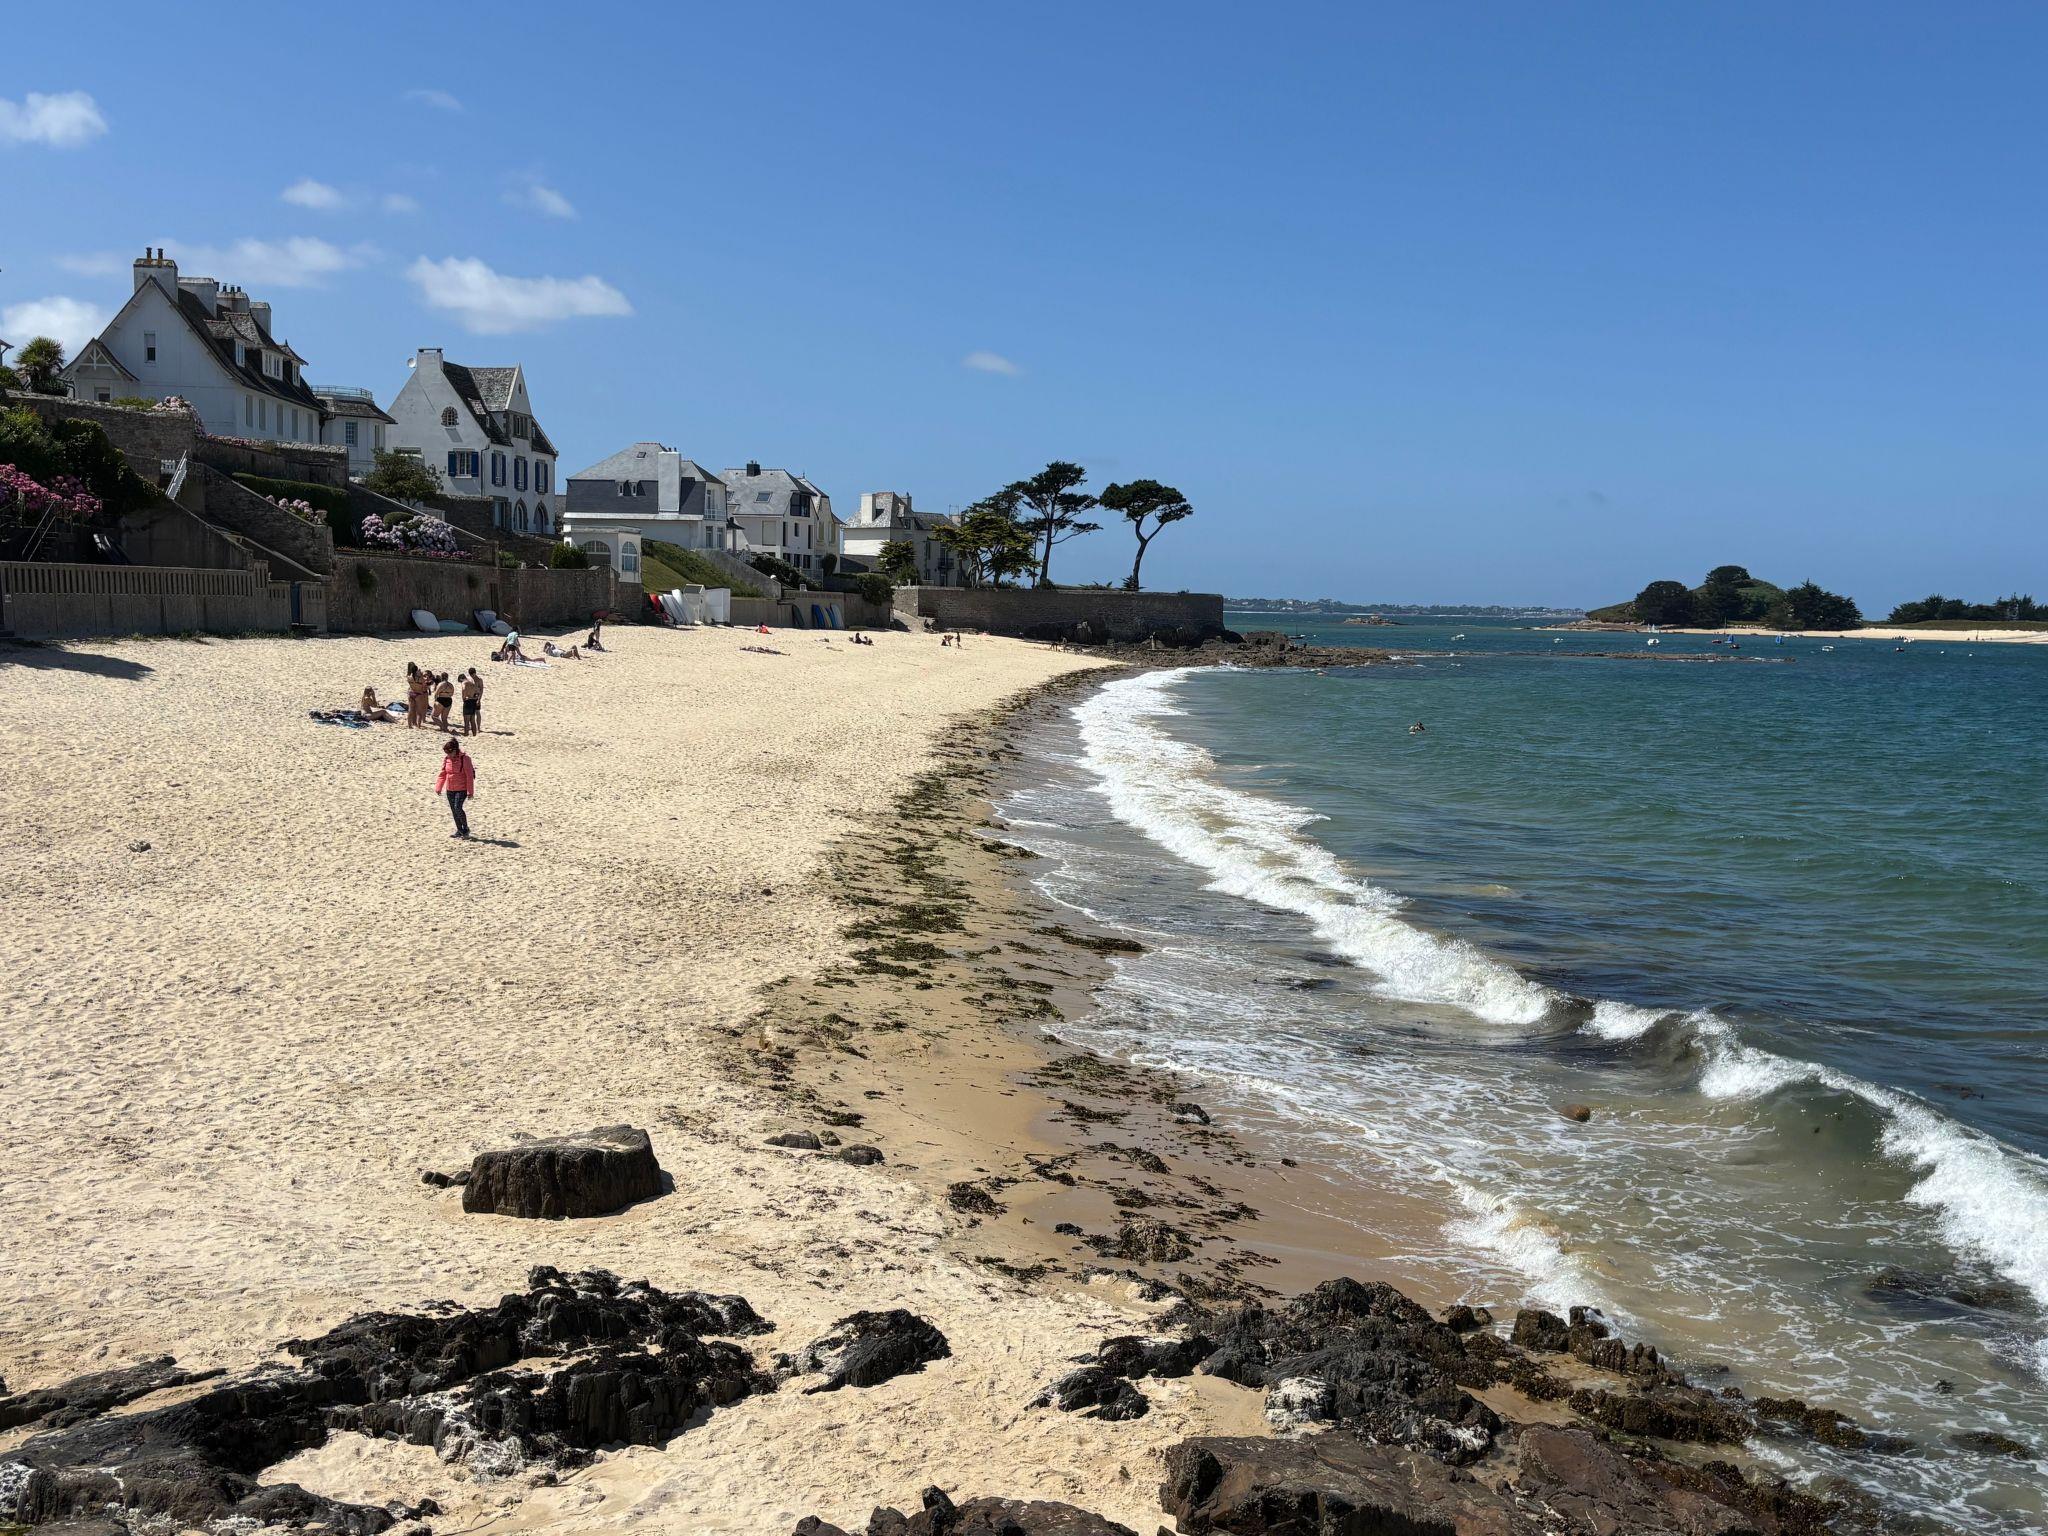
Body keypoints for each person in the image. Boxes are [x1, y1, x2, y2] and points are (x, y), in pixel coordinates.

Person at [435, 738, 476, 839]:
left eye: (449, 753)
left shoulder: (465, 759)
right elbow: (443, 774)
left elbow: (469, 776)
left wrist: (470, 792)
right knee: (454, 810)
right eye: (446, 753)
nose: (448, 755)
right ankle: (459, 830)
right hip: (450, 789)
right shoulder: (447, 759)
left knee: (458, 807)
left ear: (455, 750)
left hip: (462, 789)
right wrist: (438, 787)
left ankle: (465, 829)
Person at [405, 662, 428, 729]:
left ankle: (409, 726)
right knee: (419, 711)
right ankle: (418, 726)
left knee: (410, 710)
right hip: (418, 694)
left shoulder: (409, 677)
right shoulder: (420, 678)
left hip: (411, 693)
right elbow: (424, 684)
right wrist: (421, 675)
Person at [460, 669, 483, 737]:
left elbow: (481, 690)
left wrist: (479, 699)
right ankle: (474, 732)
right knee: (472, 717)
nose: (472, 676)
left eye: (473, 674)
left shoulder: (479, 680)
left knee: (477, 713)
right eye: (471, 675)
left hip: (475, 698)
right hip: (473, 698)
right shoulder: (469, 679)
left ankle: (478, 728)